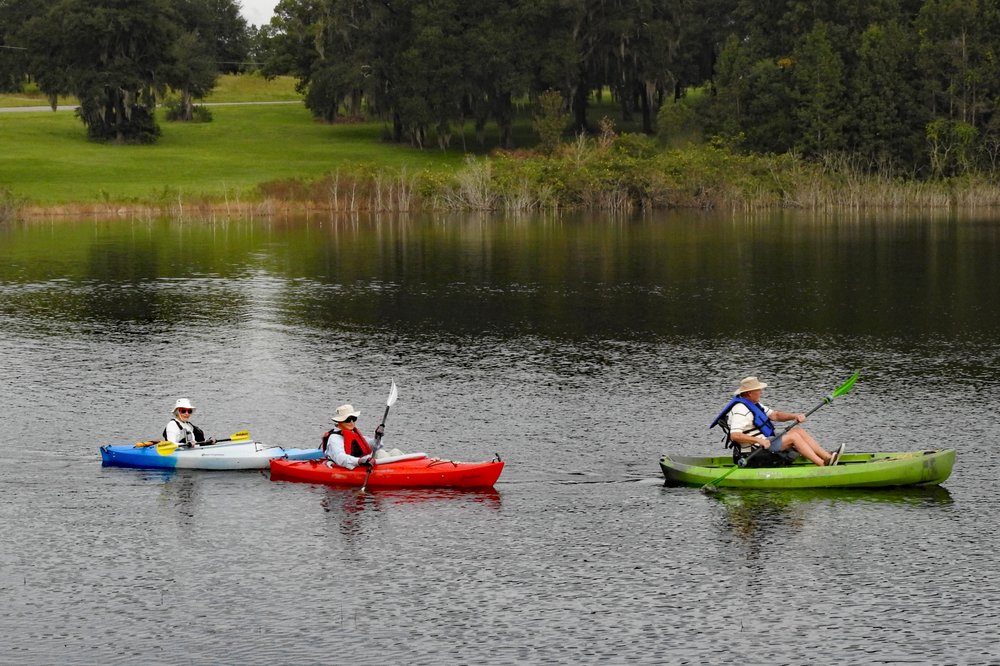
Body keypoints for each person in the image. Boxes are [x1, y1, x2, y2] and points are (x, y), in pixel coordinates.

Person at [711, 377, 844, 467]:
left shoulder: (754, 404)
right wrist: (760, 441)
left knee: (798, 431)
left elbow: (775, 415)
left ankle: (827, 458)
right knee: (793, 437)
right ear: (749, 393)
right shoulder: (740, 409)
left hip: (765, 443)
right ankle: (822, 466)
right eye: (758, 390)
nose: (761, 392)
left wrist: (795, 416)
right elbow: (735, 436)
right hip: (753, 452)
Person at [321, 404, 387, 470]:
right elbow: (340, 458)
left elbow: (375, 446)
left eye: (354, 418)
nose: (352, 422)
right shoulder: (334, 438)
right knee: (382, 455)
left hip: (364, 462)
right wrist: (359, 461)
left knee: (390, 452)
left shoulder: (353, 432)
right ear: (339, 421)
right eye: (348, 420)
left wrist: (377, 436)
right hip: (351, 467)